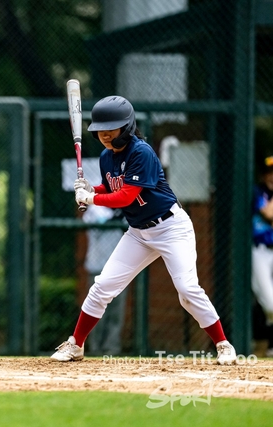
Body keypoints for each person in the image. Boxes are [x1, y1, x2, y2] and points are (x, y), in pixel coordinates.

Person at [51, 95, 237, 365]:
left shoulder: (141, 152)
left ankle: (223, 344)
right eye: (100, 130)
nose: (105, 135)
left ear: (126, 127)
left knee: (187, 290)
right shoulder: (106, 157)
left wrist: (90, 198)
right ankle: (76, 344)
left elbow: (126, 196)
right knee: (102, 286)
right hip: (139, 233)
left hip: (171, 228)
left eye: (111, 129)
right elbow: (112, 187)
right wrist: (92, 188)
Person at [82, 205, 127, 356]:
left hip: (119, 268)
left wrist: (122, 212)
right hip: (97, 266)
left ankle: (112, 348)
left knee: (116, 312)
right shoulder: (95, 208)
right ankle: (95, 349)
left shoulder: (124, 209)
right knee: (96, 309)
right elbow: (98, 224)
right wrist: (115, 216)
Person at [252, 155, 273, 357]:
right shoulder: (258, 192)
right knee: (269, 301)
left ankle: (270, 345)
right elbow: (268, 214)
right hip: (261, 250)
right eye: (269, 173)